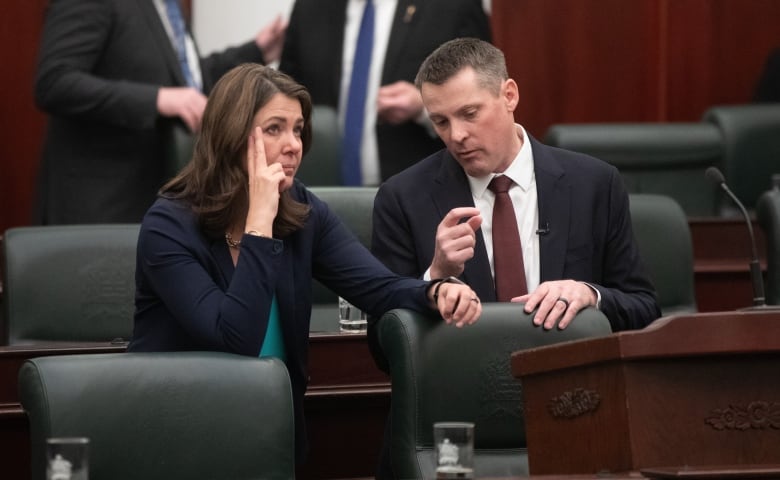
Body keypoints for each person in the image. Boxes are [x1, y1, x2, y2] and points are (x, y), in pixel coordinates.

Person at [127, 63, 482, 464]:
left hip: (273, 433)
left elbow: (378, 288)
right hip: (180, 436)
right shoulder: (168, 226)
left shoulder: (301, 210)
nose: (294, 144)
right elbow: (234, 339)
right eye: (275, 128)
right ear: (232, 134)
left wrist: (435, 288)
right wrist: (259, 220)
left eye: (297, 129)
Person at [371, 38, 662, 333]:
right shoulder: (403, 198)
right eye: (441, 122)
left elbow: (644, 310)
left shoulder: (594, 184)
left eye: (469, 114)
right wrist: (433, 278)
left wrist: (590, 295)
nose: (456, 135)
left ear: (509, 95)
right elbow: (384, 340)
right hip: (466, 374)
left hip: (571, 372)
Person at [33, 0, 287, 224]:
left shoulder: (169, 6)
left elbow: (186, 83)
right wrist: (157, 99)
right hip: (98, 205)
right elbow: (55, 82)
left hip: (155, 197)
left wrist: (256, 51)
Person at [278, 0, 491, 185]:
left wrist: (423, 106)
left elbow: (483, 91)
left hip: (420, 191)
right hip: (320, 192)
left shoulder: (453, 6)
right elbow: (286, 94)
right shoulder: (310, 7)